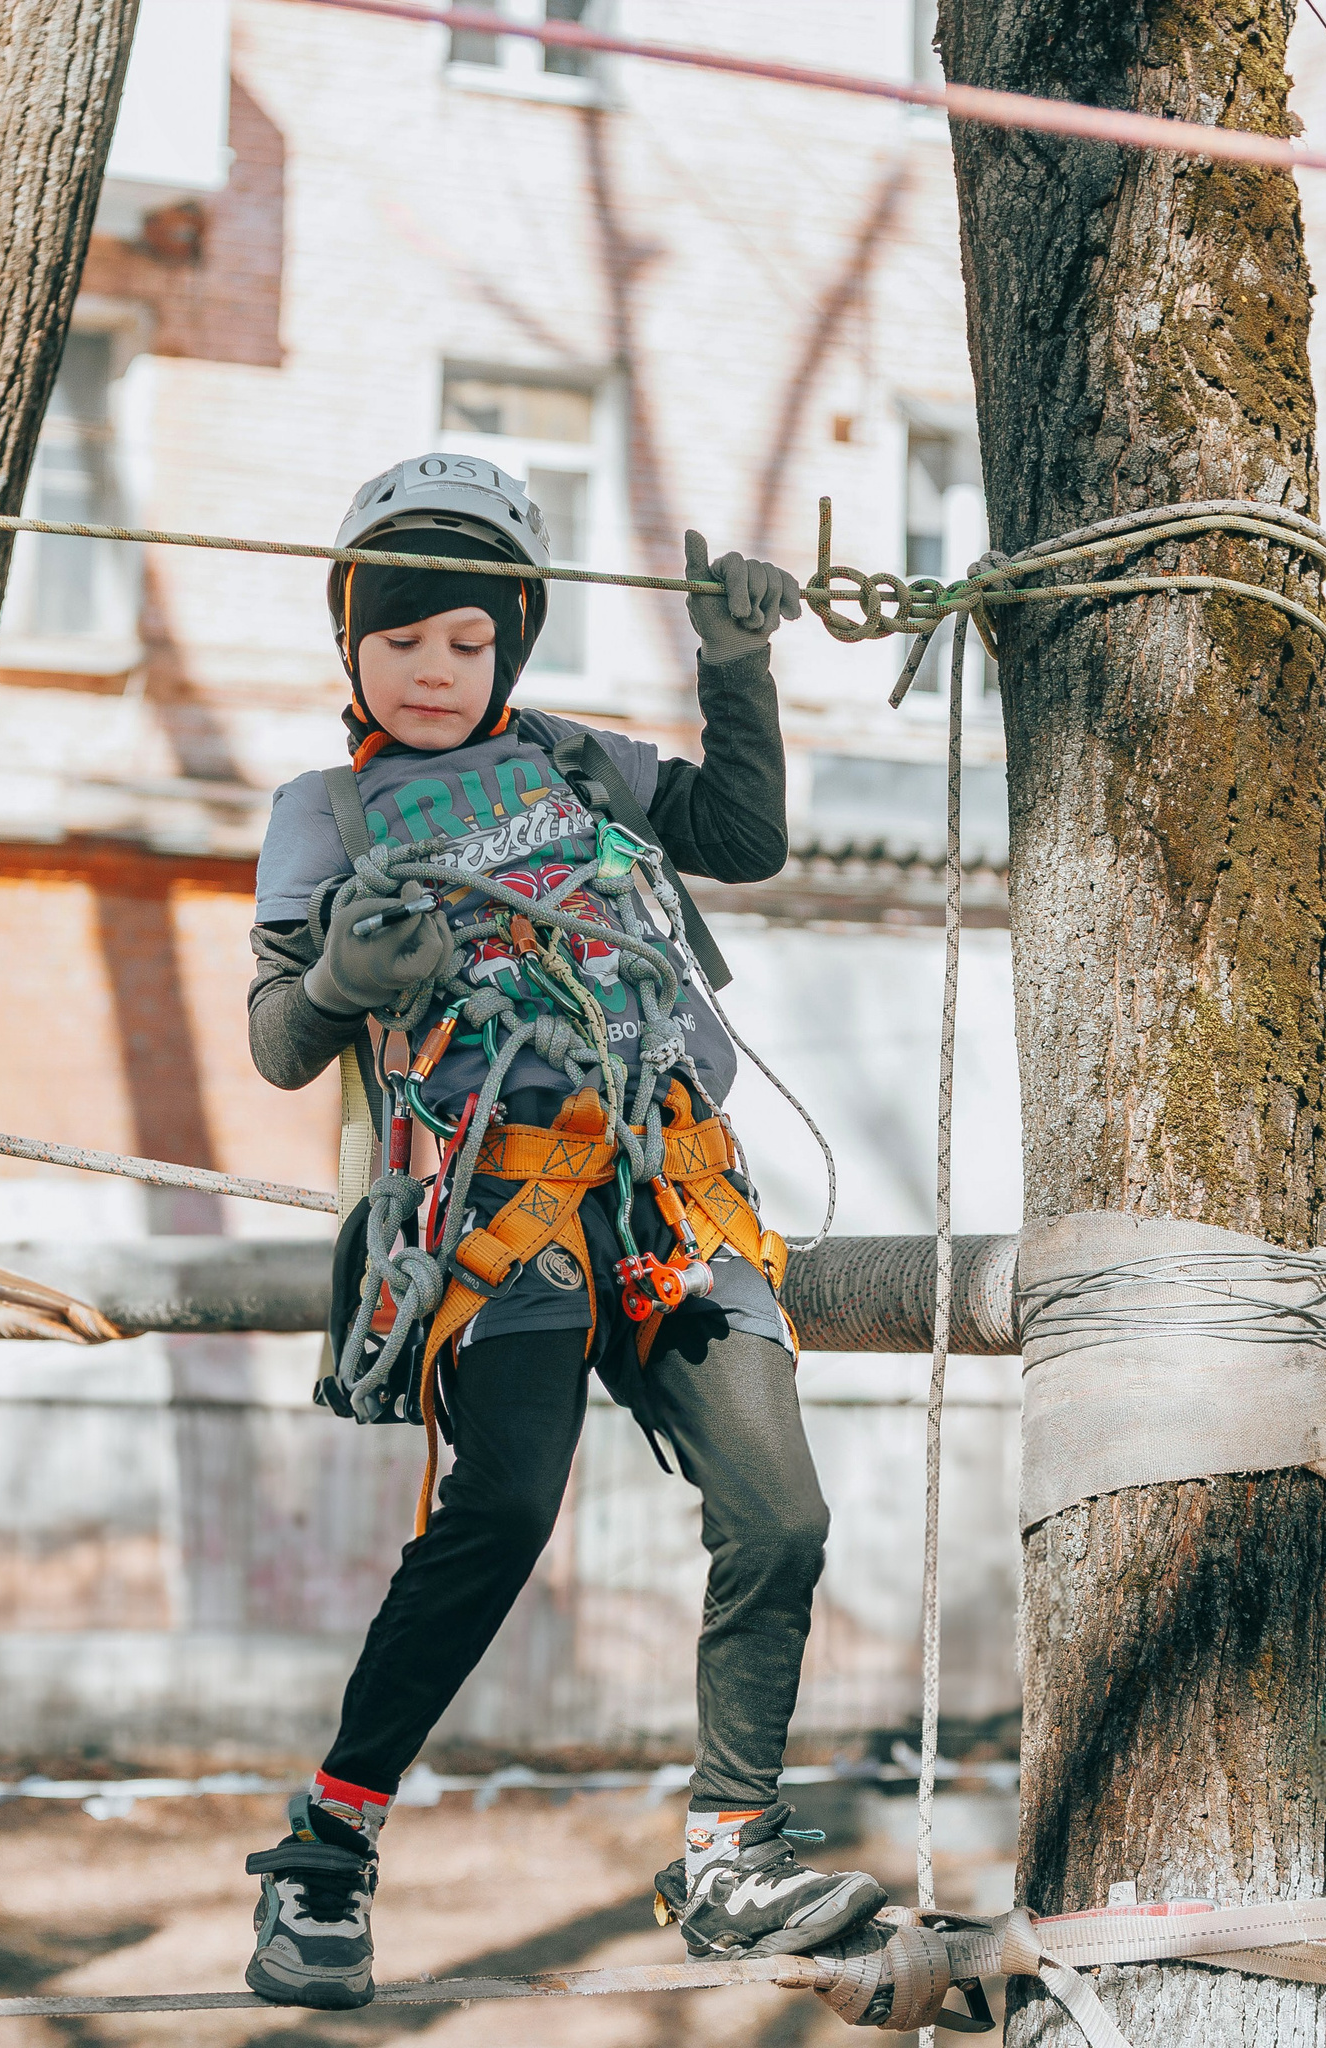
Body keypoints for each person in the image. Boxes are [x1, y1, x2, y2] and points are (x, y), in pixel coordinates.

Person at [239, 456, 882, 2010]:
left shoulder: (581, 766)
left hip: (668, 1196)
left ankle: (733, 1851)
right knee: (505, 1509)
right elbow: (275, 1041)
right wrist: (341, 983)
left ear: (514, 646)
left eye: (469, 644)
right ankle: (328, 1853)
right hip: (496, 1213)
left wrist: (739, 664)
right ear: (351, 644)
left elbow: (742, 834)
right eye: (401, 643)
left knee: (781, 1517)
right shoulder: (321, 816)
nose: (435, 673)